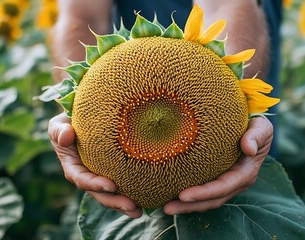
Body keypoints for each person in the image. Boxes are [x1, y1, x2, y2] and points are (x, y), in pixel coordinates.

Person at [48, 0, 282, 218]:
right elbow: (81, 16)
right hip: (118, 133)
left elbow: (226, 4)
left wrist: (233, 94)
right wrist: (75, 112)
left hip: (233, 133)